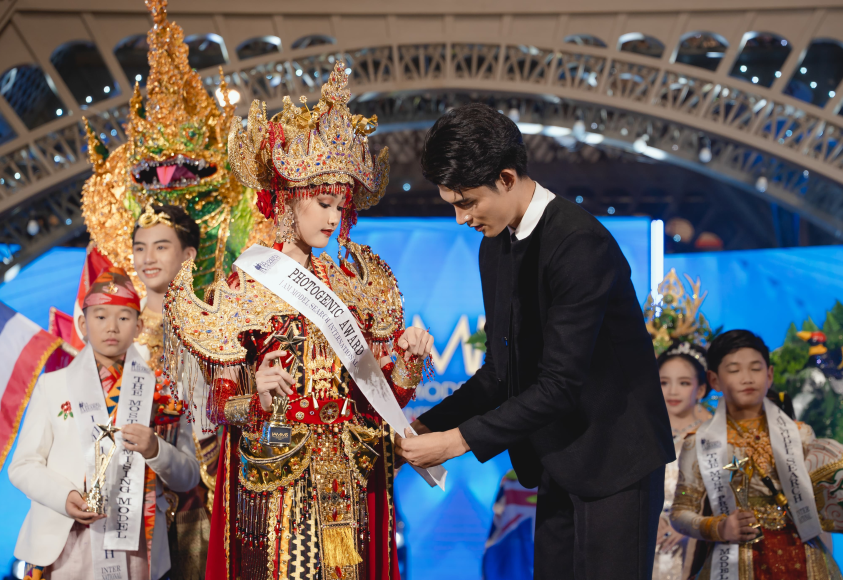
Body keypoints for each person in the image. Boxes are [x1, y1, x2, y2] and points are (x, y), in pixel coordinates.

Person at [163, 61, 435, 580]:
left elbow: (383, 397)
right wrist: (255, 392)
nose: (334, 218)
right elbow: (224, 406)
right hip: (280, 471)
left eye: (342, 205)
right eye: (324, 202)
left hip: (349, 473)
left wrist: (408, 361)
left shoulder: (354, 286)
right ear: (289, 197)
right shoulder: (248, 284)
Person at [396, 102, 675, 580]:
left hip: (615, 461)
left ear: (506, 178)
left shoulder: (578, 243)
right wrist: (423, 428)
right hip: (559, 461)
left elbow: (560, 383)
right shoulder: (494, 244)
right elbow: (502, 372)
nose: (460, 219)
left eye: (467, 202)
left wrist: (455, 443)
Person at [10, 267, 199, 580]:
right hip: (67, 538)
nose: (112, 327)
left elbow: (188, 475)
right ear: (83, 324)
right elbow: (23, 465)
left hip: (136, 540)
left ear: (138, 325)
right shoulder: (53, 386)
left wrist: (155, 448)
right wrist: (64, 496)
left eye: (123, 318)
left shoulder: (161, 390)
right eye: (100, 317)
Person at [670, 330, 843, 580]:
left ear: (769, 375)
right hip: (738, 560)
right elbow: (680, 512)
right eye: (734, 370)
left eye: (755, 368)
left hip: (804, 557)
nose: (747, 378)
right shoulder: (698, 442)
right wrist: (719, 527)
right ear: (714, 380)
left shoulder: (800, 434)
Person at [132, 202, 219, 579]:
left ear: (188, 255)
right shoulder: (114, 326)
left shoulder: (212, 330)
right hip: (128, 492)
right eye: (140, 247)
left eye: (161, 246)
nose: (147, 258)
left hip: (193, 495)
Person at [654, 341, 712, 580]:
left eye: (684, 383)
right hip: (645, 534)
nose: (673, 391)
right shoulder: (642, 432)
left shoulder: (714, 436)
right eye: (663, 383)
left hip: (695, 542)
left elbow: (730, 492)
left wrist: (695, 523)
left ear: (700, 390)